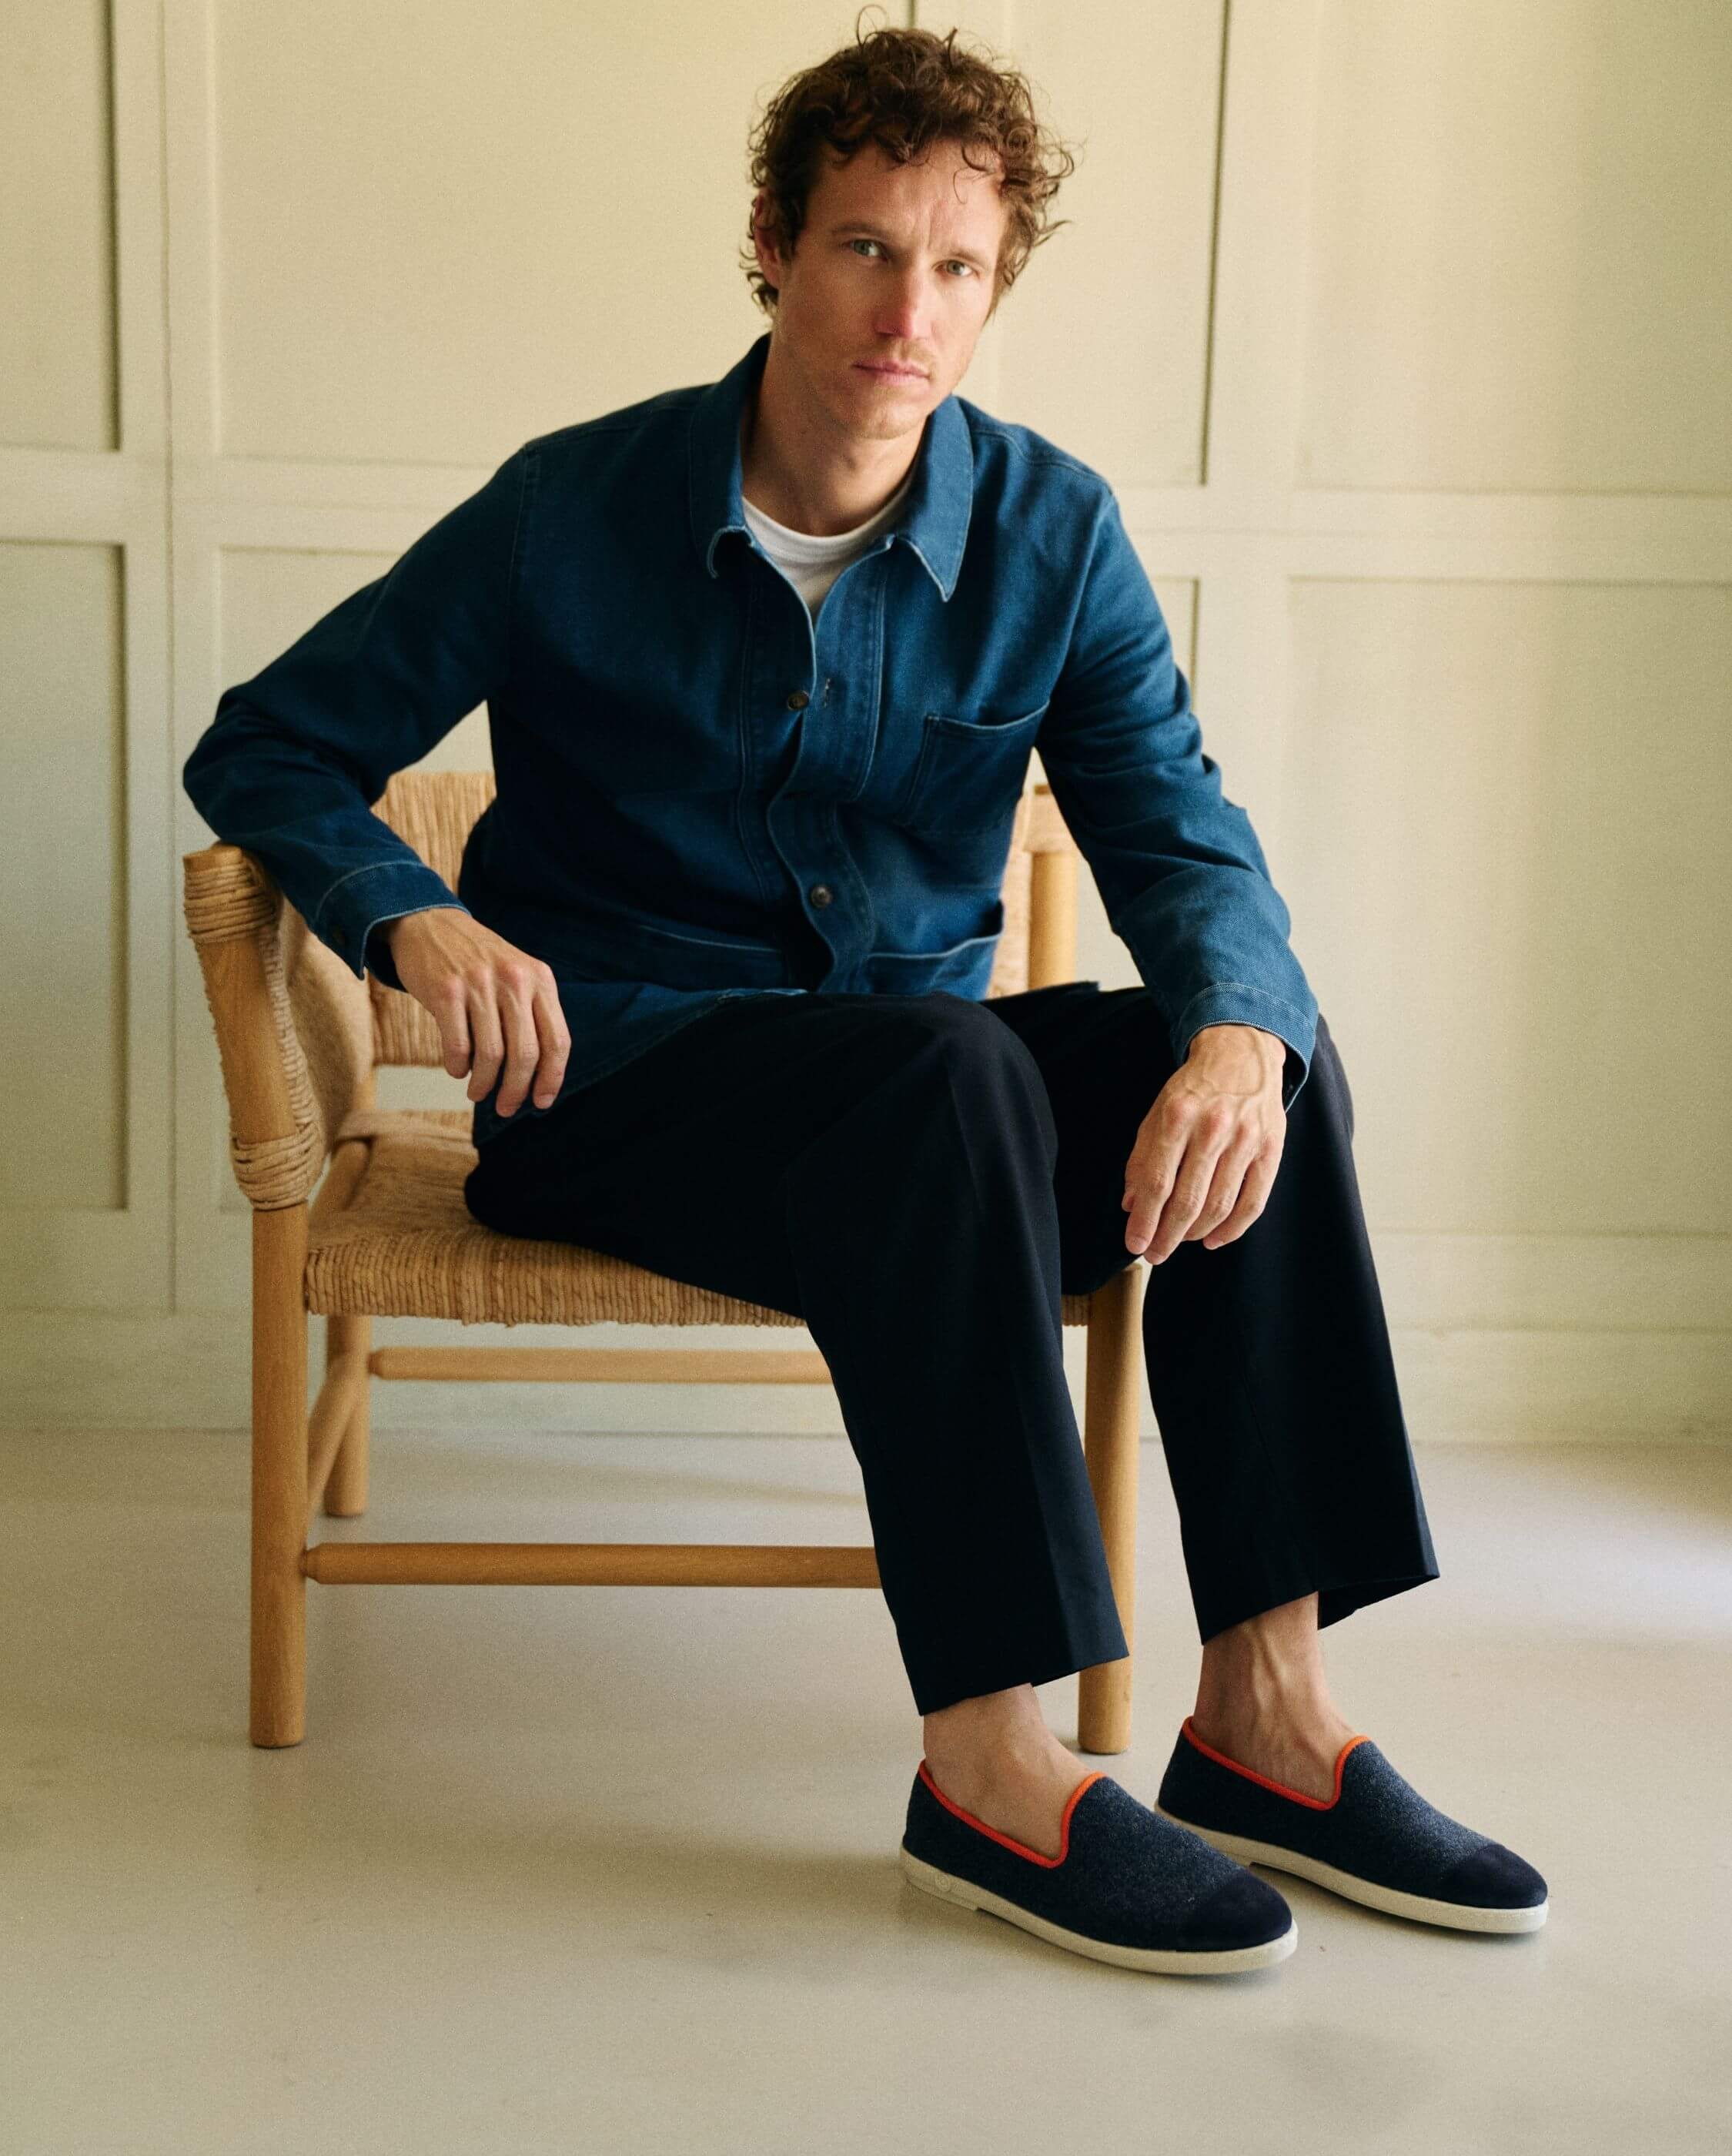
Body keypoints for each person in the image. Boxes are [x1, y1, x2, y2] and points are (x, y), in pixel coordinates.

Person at [182, 14, 1547, 1974]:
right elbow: (267, 742)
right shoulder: (569, 508)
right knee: (944, 1065)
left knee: (1264, 1053)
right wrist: (409, 915)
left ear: (998, 288)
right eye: (865, 248)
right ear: (772, 244)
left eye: (959, 266)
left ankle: (1267, 1718)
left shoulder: (1052, 532)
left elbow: (1178, 829)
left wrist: (1238, 1031)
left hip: (921, 1135)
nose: (911, 311)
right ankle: (989, 1760)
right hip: (616, 1095)